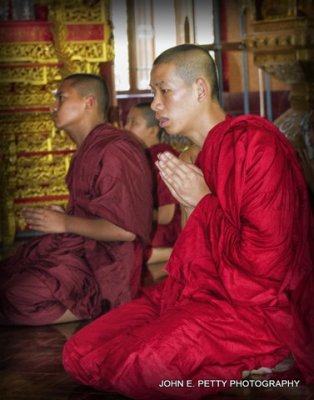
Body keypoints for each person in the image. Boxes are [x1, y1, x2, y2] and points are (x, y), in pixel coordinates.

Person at [63, 45, 314, 399]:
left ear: (199, 89)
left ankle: (271, 354)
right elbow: (193, 255)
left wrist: (202, 200)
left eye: (164, 90)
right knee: (79, 352)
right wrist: (193, 205)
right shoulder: (187, 159)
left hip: (256, 308)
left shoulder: (256, 145)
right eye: (153, 92)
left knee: (142, 364)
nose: (155, 104)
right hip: (195, 293)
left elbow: (268, 266)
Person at [0, 73, 152, 326]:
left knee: (17, 295)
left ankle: (98, 306)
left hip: (107, 264)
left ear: (89, 102)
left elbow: (125, 231)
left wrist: (64, 223)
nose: (53, 106)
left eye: (61, 97)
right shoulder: (90, 148)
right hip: (80, 250)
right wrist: (63, 217)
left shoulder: (117, 148)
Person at [125, 102, 181, 266]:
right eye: (126, 122)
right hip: (147, 228)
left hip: (166, 234)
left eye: (134, 123)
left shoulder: (162, 157)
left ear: (152, 131)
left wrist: (128, 211)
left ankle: (176, 253)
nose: (125, 128)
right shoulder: (141, 157)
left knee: (121, 251)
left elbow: (165, 216)